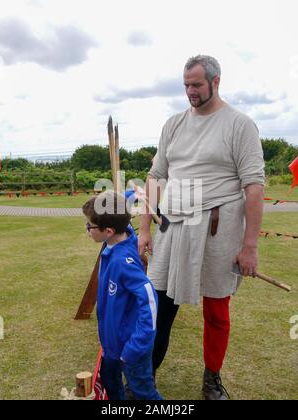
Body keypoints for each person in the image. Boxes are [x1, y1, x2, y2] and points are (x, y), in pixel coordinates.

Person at [138, 55, 265, 400]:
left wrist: (249, 246)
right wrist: (145, 228)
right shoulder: (174, 125)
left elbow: (254, 185)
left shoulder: (240, 125)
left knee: (216, 312)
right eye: (186, 85)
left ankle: (211, 380)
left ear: (216, 81)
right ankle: (143, 379)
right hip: (172, 227)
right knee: (159, 308)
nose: (190, 92)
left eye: (196, 85)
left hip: (217, 230)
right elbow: (155, 176)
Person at [82, 191, 162, 400]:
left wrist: (136, 346)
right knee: (110, 382)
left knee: (144, 392)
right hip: (111, 345)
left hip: (130, 349)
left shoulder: (121, 262)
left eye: (89, 226)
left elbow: (150, 300)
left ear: (108, 230)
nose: (87, 230)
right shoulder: (122, 233)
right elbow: (121, 205)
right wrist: (130, 194)